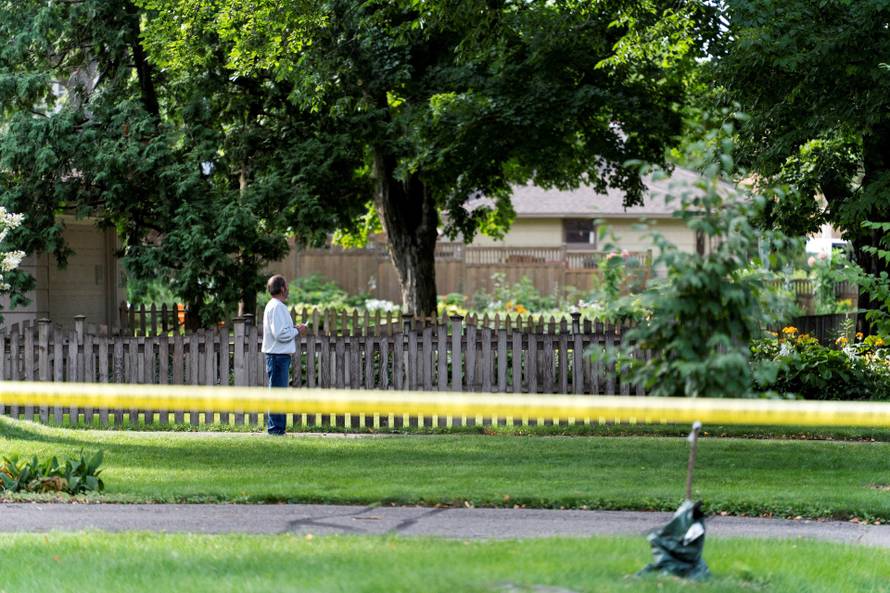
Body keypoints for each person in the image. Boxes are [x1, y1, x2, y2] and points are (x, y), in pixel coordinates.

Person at [261, 275, 307, 435]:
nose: (288, 289)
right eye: (286, 286)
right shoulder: (277, 307)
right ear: (282, 288)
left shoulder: (274, 306)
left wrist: (294, 328)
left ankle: (277, 429)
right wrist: (297, 331)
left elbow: (280, 331)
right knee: (277, 394)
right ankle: (275, 430)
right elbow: (280, 334)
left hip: (277, 356)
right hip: (277, 357)